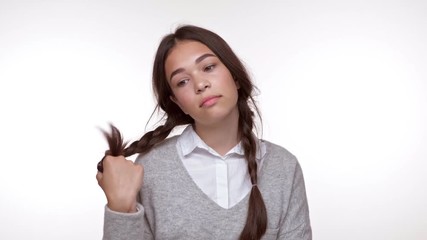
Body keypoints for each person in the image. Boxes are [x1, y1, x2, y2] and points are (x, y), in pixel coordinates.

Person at [96, 25, 312, 240]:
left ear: (235, 76)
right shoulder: (150, 168)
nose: (200, 84)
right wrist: (120, 209)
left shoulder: (283, 166)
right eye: (182, 82)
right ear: (176, 102)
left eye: (208, 67)